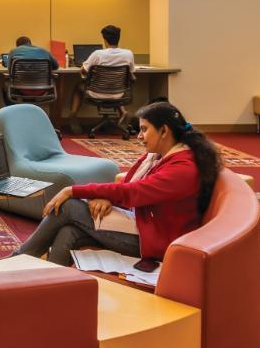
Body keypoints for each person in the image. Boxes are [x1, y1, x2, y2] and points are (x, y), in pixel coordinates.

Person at [13, 101, 223, 266]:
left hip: (156, 240)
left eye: (144, 129)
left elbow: (134, 191)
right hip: (145, 222)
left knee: (68, 206)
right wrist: (106, 197)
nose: (139, 137)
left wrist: (72, 190)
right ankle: (49, 288)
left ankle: (16, 262)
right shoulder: (160, 156)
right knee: (68, 233)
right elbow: (131, 184)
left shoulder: (182, 169)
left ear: (164, 131)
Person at [68, 24, 136, 121]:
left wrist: (84, 65)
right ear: (118, 38)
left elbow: (83, 70)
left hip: (97, 93)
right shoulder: (128, 54)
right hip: (119, 93)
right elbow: (132, 72)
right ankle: (123, 113)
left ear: (105, 39)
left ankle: (73, 115)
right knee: (113, 85)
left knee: (78, 86)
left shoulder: (98, 54)